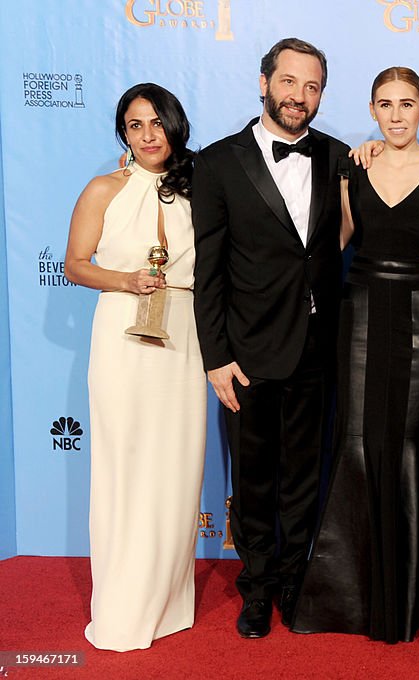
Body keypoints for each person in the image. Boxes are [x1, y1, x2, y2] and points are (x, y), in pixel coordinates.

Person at [290, 67, 419, 643]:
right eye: (385, 104)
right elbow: (329, 244)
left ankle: (406, 600)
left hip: (417, 314)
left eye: (407, 104)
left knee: (407, 443)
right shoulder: (351, 167)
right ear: (371, 110)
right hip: (359, 311)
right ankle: (347, 600)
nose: (396, 115)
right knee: (359, 440)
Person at [192, 38, 349, 639]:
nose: (299, 97)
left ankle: (294, 580)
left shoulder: (337, 156)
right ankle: (254, 588)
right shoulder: (218, 163)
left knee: (305, 476)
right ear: (264, 83)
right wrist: (216, 358)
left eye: (312, 87)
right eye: (289, 83)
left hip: (316, 347)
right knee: (253, 479)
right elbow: (207, 271)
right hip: (247, 351)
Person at [65, 83, 205, 651]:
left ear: (175, 126)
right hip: (122, 333)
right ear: (122, 133)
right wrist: (124, 279)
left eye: (156, 123)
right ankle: (123, 605)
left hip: (184, 334)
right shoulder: (104, 188)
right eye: (134, 125)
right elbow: (75, 264)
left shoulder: (201, 186)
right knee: (125, 467)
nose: (148, 136)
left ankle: (168, 603)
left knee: (174, 469)